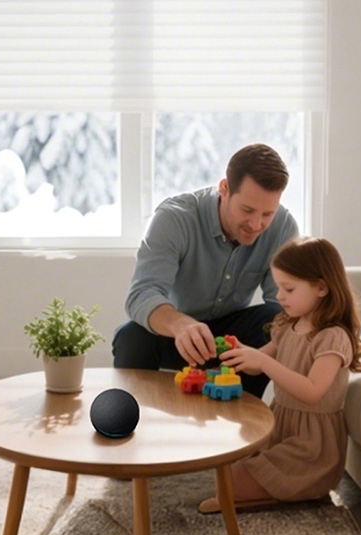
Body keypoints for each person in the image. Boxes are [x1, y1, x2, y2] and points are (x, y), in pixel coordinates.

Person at [113, 144, 300, 398]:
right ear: (224, 188)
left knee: (272, 319)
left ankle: (245, 421)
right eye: (247, 210)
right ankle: (130, 417)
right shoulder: (175, 218)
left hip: (232, 341)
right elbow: (141, 294)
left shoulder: (282, 227)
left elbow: (289, 306)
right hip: (175, 333)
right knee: (130, 337)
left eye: (267, 213)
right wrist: (180, 324)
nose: (257, 224)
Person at [198, 237, 361, 513]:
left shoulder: (332, 338)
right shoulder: (289, 326)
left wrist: (263, 362)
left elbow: (312, 391)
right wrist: (240, 353)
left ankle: (295, 493)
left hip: (311, 446)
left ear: (321, 288)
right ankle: (262, 491)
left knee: (228, 482)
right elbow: (257, 362)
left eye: (288, 288)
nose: (279, 296)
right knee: (222, 466)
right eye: (279, 287)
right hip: (280, 426)